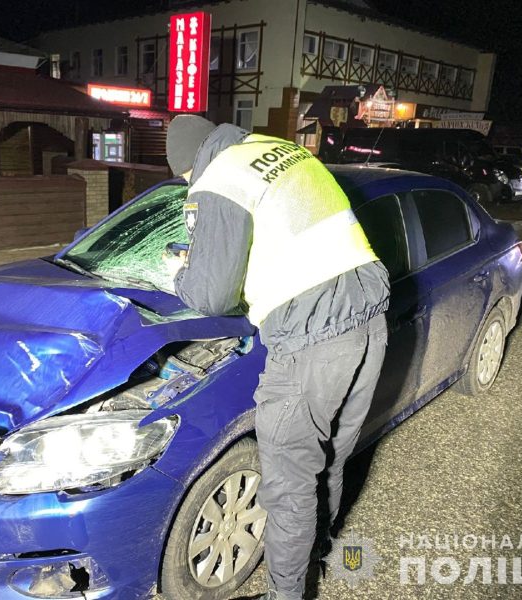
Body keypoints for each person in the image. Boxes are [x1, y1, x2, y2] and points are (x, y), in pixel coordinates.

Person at [163, 115, 390, 600]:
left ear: (190, 163)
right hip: (370, 323)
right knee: (327, 460)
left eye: (183, 176)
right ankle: (320, 554)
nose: (187, 184)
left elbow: (210, 294)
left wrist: (180, 272)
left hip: (312, 339)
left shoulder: (218, 177)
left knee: (288, 488)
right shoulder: (283, 151)